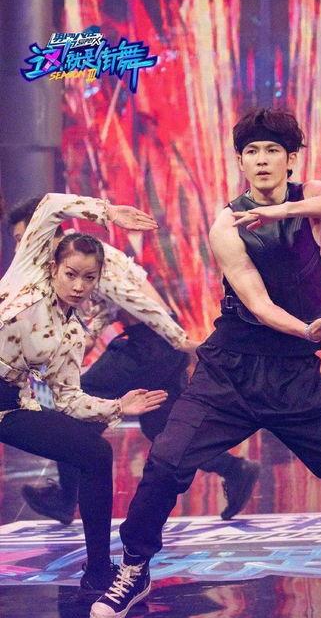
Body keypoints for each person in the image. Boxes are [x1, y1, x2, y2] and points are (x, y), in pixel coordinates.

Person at [90, 108, 321, 618]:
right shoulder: (226, 223)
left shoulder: (308, 195)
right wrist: (307, 329)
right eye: (252, 152)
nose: (262, 160)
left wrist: (280, 213)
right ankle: (134, 569)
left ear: (290, 159)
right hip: (230, 373)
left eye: (273, 151)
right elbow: (257, 301)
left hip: (294, 378)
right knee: (166, 462)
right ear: (241, 161)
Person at [7, 198, 259, 526]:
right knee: (159, 426)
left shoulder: (85, 255)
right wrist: (92, 331)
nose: (21, 247)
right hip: (154, 345)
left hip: (150, 343)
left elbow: (138, 303)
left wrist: (181, 340)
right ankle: (234, 469)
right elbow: (112, 304)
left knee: (74, 404)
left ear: (47, 232)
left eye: (23, 238)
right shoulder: (81, 257)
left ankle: (66, 498)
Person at [0, 193, 168, 591]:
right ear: (53, 267)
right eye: (71, 274)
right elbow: (50, 205)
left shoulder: (72, 333)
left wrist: (119, 407)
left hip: (7, 408)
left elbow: (67, 399)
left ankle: (97, 571)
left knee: (94, 452)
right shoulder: (26, 276)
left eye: (89, 278)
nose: (78, 286)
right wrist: (109, 212)